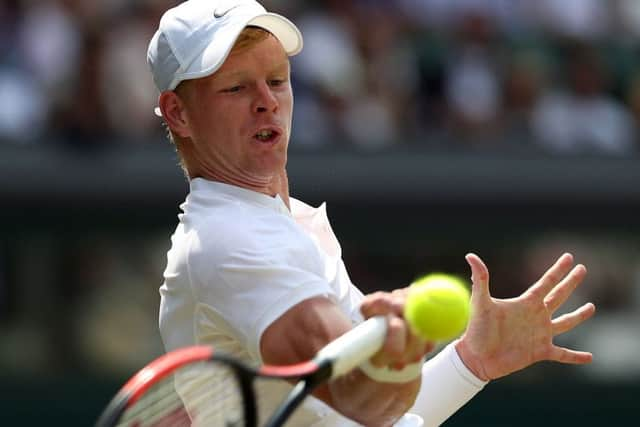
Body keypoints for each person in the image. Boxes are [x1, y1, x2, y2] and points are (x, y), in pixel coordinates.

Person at [147, 1, 596, 426]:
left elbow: (369, 418)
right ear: (178, 114)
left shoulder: (289, 222)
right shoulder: (230, 241)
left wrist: (470, 363)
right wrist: (393, 359)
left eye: (277, 80)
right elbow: (362, 400)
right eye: (236, 87)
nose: (266, 100)